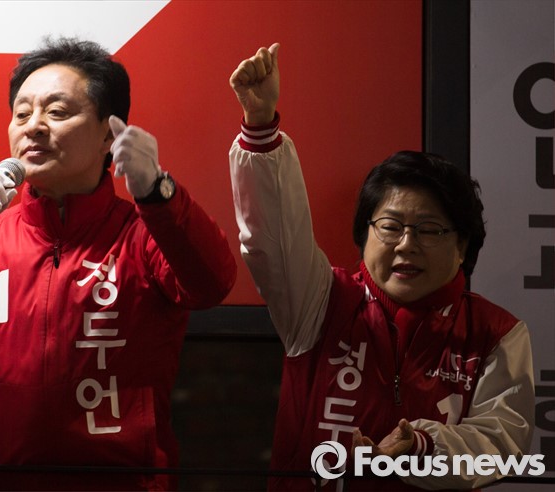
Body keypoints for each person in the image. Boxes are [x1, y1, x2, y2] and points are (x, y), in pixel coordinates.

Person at [0, 36, 237, 491]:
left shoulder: (144, 232)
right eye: (22, 114)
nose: (34, 127)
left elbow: (212, 283)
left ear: (109, 134)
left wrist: (158, 193)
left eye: (58, 112)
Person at [228, 43, 535, 491]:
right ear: (365, 232)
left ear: (462, 245)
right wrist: (260, 125)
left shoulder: (497, 334)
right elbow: (272, 240)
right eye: (391, 226)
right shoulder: (319, 302)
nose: (407, 245)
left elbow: (501, 442)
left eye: (429, 230)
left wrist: (424, 448)